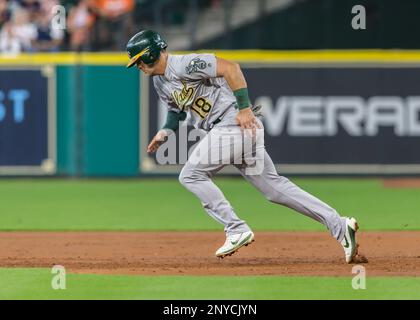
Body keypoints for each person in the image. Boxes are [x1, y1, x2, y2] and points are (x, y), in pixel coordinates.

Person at [126, 30, 361, 263]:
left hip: (232, 124)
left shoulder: (184, 64)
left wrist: (244, 108)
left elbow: (231, 68)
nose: (137, 67)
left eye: (138, 61)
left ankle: (235, 228)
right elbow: (175, 110)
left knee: (191, 175)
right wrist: (165, 131)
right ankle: (339, 225)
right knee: (274, 189)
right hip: (232, 130)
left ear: (149, 54)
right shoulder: (159, 82)